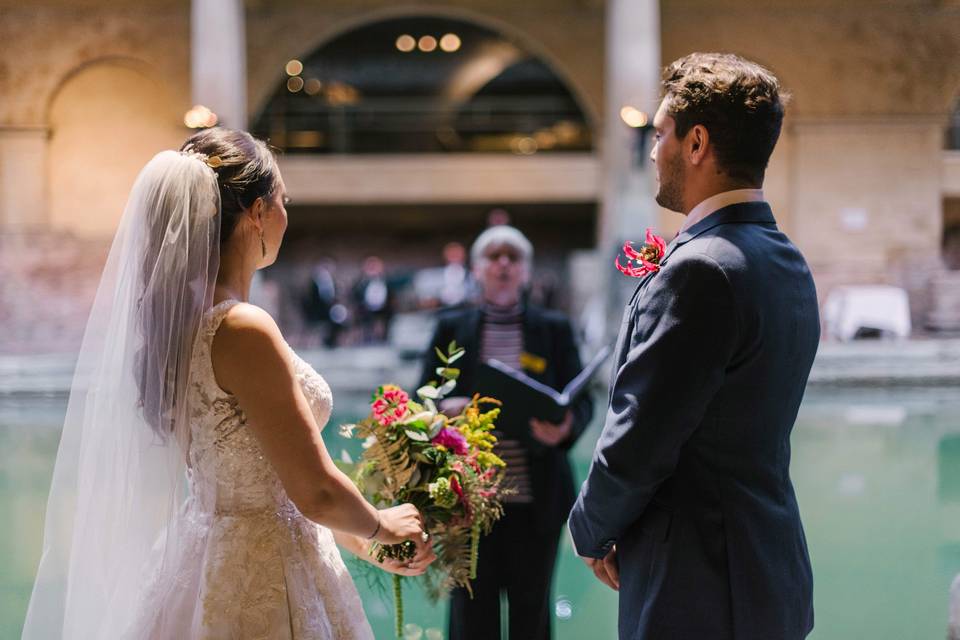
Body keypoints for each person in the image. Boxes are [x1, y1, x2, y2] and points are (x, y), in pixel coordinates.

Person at [22, 128, 435, 640]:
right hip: (265, 574)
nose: (288, 213)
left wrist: (366, 542)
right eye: (283, 200)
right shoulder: (242, 328)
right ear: (258, 213)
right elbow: (313, 490)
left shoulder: (177, 329)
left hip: (206, 556)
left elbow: (271, 481)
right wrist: (382, 523)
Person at [567, 52, 820, 640]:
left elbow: (642, 433)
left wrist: (591, 528)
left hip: (700, 582)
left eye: (659, 134)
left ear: (697, 142)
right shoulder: (786, 260)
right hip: (768, 568)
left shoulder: (701, 269)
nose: (653, 151)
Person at [418, 225, 593, 640]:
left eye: (512, 258)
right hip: (469, 503)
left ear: (525, 272)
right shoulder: (450, 327)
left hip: (536, 501)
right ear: (477, 269)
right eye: (494, 256)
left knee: (531, 614)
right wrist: (445, 410)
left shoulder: (554, 329)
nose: (503, 264)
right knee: (470, 615)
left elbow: (582, 399)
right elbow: (420, 396)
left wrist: (566, 426)